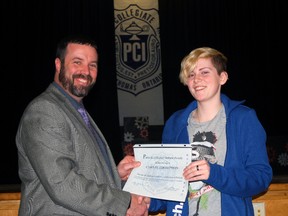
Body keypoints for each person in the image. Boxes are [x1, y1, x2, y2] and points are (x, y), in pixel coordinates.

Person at [16, 35, 150, 216]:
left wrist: (115, 176)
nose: (86, 71)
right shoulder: (44, 110)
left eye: (92, 65)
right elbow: (62, 183)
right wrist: (125, 202)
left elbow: (80, 170)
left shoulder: (77, 111)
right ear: (58, 64)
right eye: (77, 62)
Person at [148, 47, 272, 216]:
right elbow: (168, 184)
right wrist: (143, 199)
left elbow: (260, 178)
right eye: (191, 74)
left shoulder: (243, 119)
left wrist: (214, 173)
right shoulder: (175, 123)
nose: (196, 79)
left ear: (222, 77)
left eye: (204, 72)